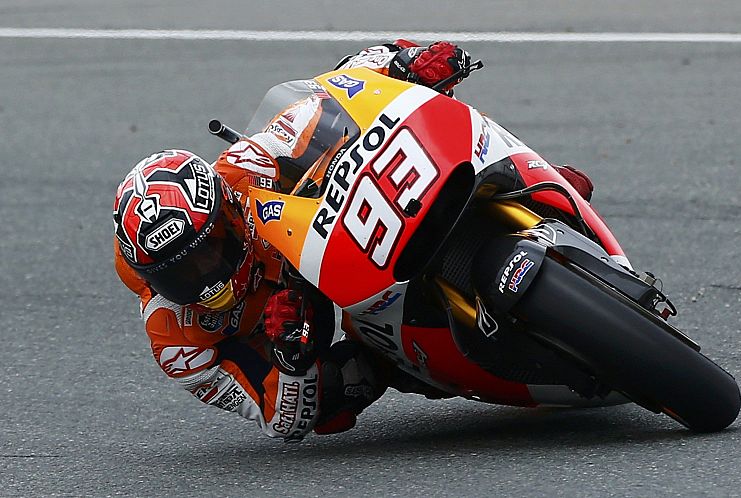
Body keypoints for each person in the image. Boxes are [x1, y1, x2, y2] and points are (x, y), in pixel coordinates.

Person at [113, 40, 595, 442]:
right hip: (302, 323)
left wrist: (406, 62)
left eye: (209, 250)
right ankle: (420, 363)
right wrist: (292, 358)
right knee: (333, 403)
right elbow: (279, 420)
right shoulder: (176, 342)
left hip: (332, 233)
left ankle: (531, 180)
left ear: (228, 213)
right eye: (179, 274)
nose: (205, 278)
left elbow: (338, 87)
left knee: (434, 130)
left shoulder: (243, 169)